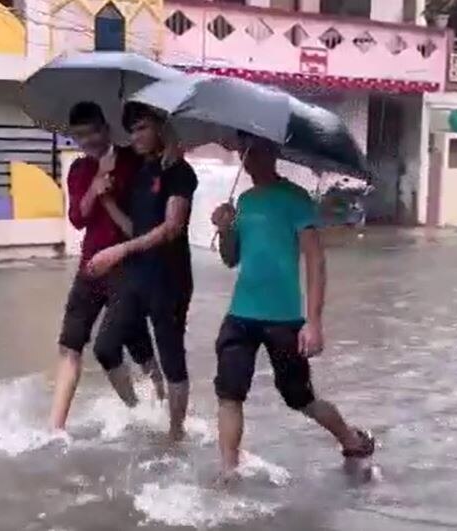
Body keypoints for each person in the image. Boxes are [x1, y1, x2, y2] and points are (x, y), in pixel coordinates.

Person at [210, 133, 375, 478]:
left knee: (299, 398)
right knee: (229, 393)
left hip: (284, 319)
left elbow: (316, 261)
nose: (248, 157)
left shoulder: (296, 199)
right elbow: (230, 259)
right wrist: (225, 229)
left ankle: (350, 439)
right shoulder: (244, 201)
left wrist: (313, 322)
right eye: (244, 151)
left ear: (272, 152)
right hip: (240, 314)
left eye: (256, 149)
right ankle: (228, 473)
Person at [86, 103, 197, 442]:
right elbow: (137, 228)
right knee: (105, 346)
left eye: (142, 128)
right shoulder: (143, 172)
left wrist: (118, 250)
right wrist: (106, 202)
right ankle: (140, 413)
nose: (135, 137)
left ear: (161, 128)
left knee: (172, 357)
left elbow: (171, 228)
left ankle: (176, 433)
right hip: (136, 277)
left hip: (170, 279)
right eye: (132, 130)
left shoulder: (179, 172)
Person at [49, 102, 164, 431]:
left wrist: (111, 195)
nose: (89, 141)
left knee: (135, 348)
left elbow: (141, 228)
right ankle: (56, 428)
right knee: (70, 345)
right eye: (80, 136)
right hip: (90, 268)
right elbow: (77, 218)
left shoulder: (134, 162)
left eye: (94, 132)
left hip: (128, 270)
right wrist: (97, 183)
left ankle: (162, 410)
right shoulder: (79, 171)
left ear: (106, 128)